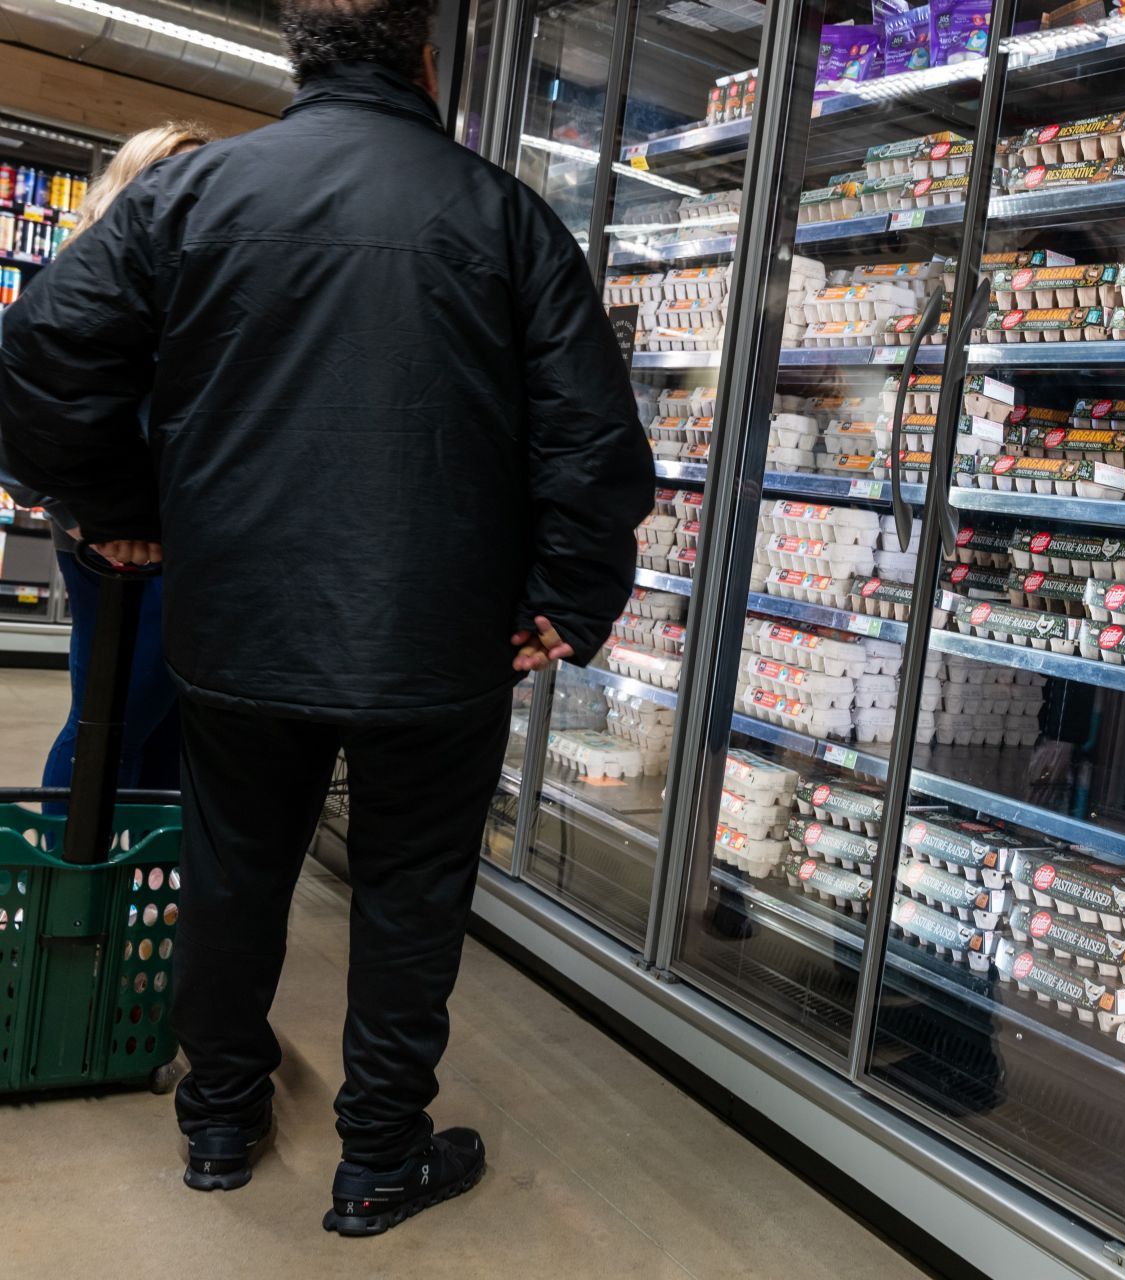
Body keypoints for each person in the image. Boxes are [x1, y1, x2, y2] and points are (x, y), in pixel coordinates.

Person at [0, 0, 654, 1237]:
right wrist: (569, 597)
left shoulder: (190, 199)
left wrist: (116, 507)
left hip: (237, 616)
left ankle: (220, 1122)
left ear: (301, 62)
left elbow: (38, 356)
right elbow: (591, 433)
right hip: (443, 633)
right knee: (411, 894)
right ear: (427, 63)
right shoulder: (504, 214)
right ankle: (379, 1157)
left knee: (234, 869)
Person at [0, 124, 210, 806]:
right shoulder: (101, 277)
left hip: (175, 538)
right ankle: (75, 888)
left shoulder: (184, 279)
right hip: (125, 545)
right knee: (110, 725)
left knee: (162, 727)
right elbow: (24, 405)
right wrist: (88, 514)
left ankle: (135, 891)